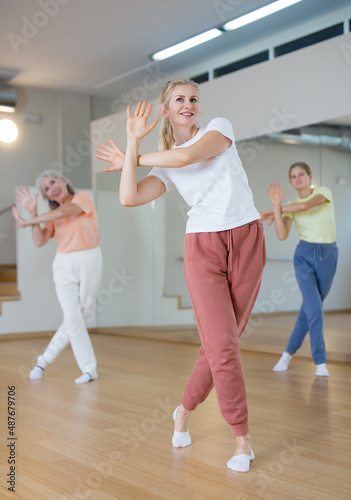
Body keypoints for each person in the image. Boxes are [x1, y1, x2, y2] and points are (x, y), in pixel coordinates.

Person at [96, 79, 266, 472]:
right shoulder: (165, 160)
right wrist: (133, 144)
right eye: (179, 100)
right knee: (223, 348)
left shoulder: (218, 129)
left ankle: (184, 410)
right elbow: (129, 197)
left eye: (192, 99)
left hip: (247, 239)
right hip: (202, 249)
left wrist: (132, 156)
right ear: (166, 111)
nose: (188, 104)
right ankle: (242, 440)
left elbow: (188, 158)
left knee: (220, 345)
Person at [12, 170, 102, 384]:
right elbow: (39, 241)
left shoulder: (82, 199)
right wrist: (32, 216)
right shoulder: (50, 215)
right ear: (48, 197)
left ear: (63, 182)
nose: (51, 188)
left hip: (89, 258)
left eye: (53, 182)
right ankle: (89, 369)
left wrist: (29, 219)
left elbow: (64, 213)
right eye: (46, 189)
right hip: (63, 264)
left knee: (79, 315)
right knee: (73, 318)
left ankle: (43, 361)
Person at [261, 162, 338, 377]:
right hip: (304, 257)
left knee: (309, 310)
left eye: (301, 174)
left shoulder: (323, 193)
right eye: (293, 176)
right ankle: (320, 361)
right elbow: (282, 234)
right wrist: (277, 211)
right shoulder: (292, 204)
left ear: (310, 176)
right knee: (314, 309)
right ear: (290, 181)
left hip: (329, 255)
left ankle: (287, 355)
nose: (298, 179)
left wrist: (276, 208)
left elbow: (306, 207)